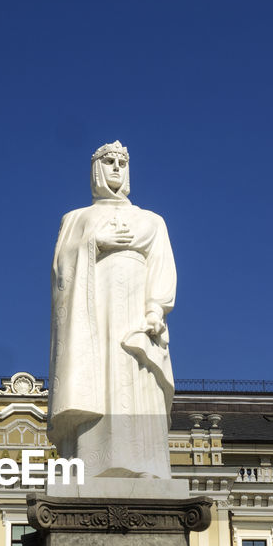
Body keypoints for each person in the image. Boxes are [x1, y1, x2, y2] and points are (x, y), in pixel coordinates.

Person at [48, 141, 177, 479]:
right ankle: (93, 462)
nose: (117, 167)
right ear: (96, 169)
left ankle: (144, 465)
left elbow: (162, 265)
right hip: (94, 313)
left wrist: (155, 309)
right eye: (109, 161)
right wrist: (95, 243)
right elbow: (62, 267)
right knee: (100, 377)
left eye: (122, 162)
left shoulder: (152, 221)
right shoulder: (77, 218)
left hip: (136, 312)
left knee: (135, 374)